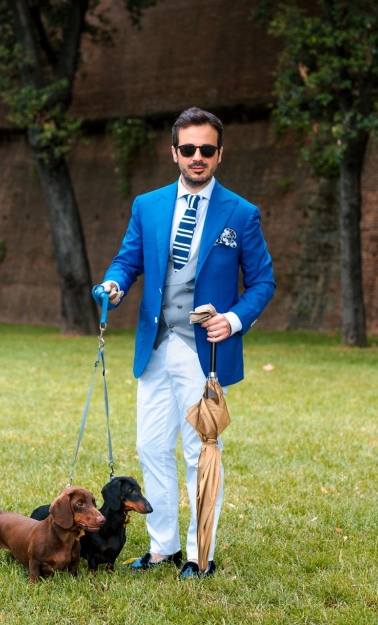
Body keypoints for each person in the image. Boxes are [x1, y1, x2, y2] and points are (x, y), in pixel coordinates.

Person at [92, 107, 275, 579]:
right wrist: (113, 284)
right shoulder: (147, 205)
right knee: (151, 446)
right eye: (188, 148)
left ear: (219, 153)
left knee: (200, 453)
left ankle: (200, 554)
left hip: (205, 352)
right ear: (174, 152)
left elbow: (262, 282)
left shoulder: (241, 212)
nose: (197, 157)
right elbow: (127, 261)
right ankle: (163, 547)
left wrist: (234, 319)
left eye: (206, 149)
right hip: (155, 344)